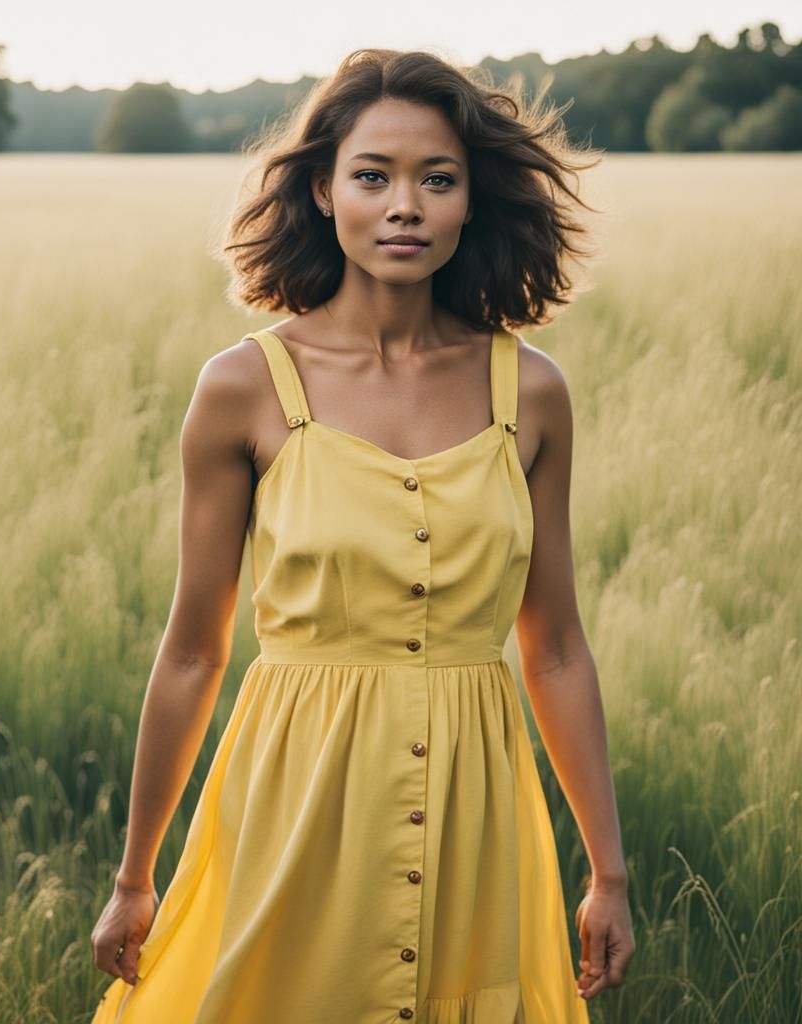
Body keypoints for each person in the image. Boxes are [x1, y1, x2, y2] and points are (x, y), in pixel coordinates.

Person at [90, 47, 635, 1023]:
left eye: (437, 179)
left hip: (477, 809)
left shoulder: (533, 393)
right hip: (297, 800)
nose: (404, 206)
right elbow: (191, 649)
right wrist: (136, 875)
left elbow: (551, 646)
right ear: (322, 188)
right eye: (372, 176)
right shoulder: (243, 389)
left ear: (470, 200)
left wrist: (608, 873)